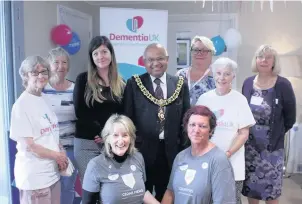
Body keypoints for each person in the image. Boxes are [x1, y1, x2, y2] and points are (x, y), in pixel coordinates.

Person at [123, 43, 190, 201]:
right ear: (144, 62)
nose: (155, 63)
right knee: (139, 195)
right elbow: (127, 119)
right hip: (141, 152)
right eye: (150, 60)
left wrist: (184, 149)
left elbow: (186, 120)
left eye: (160, 58)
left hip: (171, 153)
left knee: (167, 195)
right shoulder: (134, 84)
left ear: (167, 59)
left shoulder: (180, 84)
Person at [196, 57, 256, 204]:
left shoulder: (240, 100)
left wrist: (227, 154)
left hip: (232, 164)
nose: (222, 78)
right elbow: (196, 130)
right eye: (218, 73)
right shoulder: (204, 99)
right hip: (207, 163)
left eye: (227, 74)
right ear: (213, 75)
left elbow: (243, 133)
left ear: (233, 76)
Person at [241, 45, 296, 204]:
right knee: (252, 188)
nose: (263, 60)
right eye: (260, 57)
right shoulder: (248, 83)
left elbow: (290, 117)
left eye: (268, 57)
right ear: (256, 60)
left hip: (272, 150)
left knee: (271, 191)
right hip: (250, 148)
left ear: (274, 61)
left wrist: (277, 133)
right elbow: (243, 112)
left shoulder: (283, 84)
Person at [10, 56, 68, 204]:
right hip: (35, 178)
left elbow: (52, 133)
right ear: (25, 75)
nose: (41, 76)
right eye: (35, 73)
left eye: (44, 71)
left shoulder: (44, 98)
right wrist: (58, 156)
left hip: (52, 174)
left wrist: (61, 152)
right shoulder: (21, 106)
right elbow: (30, 146)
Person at [73, 35, 125, 183]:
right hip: (86, 143)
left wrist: (108, 135)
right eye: (95, 53)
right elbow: (80, 112)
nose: (100, 56)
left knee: (110, 188)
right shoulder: (83, 79)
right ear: (91, 58)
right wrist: (102, 132)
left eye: (104, 52)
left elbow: (122, 115)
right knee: (91, 188)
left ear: (111, 54)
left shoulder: (121, 83)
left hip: (112, 143)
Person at [161, 105, 236, 204]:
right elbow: (170, 192)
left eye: (202, 126)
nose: (196, 130)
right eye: (192, 125)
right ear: (187, 127)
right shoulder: (181, 157)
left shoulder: (219, 160)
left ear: (211, 130)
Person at [82, 114, 160, 204]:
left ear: (131, 138)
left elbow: (143, 192)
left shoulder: (138, 157)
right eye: (115, 135)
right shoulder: (95, 165)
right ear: (107, 138)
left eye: (125, 135)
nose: (121, 140)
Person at [42, 47, 77, 204]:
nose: (60, 66)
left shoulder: (76, 88)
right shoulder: (41, 90)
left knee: (67, 187)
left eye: (64, 62)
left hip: (70, 148)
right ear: (49, 65)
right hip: (47, 149)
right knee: (47, 187)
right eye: (56, 62)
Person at [176, 36, 216, 105]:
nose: (200, 53)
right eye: (196, 50)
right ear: (191, 52)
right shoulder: (180, 74)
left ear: (211, 54)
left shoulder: (216, 77)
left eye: (204, 51)